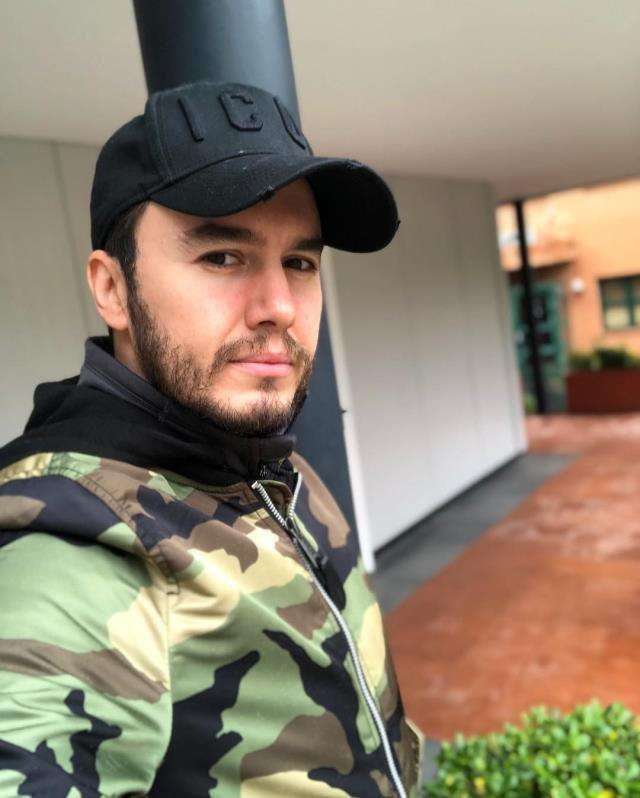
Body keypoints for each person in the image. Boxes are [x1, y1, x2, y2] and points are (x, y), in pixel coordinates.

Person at [0, 80, 423, 797]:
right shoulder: (72, 549)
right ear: (112, 289)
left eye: (300, 262)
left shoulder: (267, 463)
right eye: (223, 256)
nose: (279, 306)